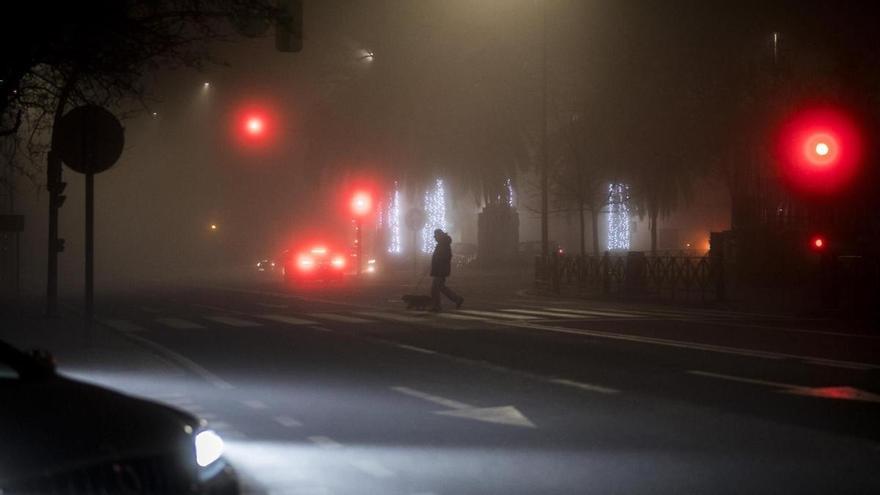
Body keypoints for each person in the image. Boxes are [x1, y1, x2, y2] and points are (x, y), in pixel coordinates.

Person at [430, 229, 464, 312]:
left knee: (434, 289)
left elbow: (445, 257)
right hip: (440, 269)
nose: (435, 238)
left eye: (435, 236)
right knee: (441, 287)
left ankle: (437, 306)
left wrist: (437, 260)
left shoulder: (443, 245)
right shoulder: (442, 244)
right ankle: (457, 299)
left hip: (440, 270)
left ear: (439, 236)